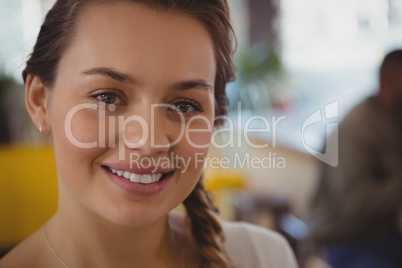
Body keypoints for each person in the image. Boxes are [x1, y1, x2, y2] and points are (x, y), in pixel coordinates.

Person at [0, 1, 297, 267]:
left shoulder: (264, 257)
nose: (148, 142)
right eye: (107, 97)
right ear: (40, 100)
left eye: (184, 105)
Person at [309, 50, 402, 268]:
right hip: (347, 240)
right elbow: (356, 203)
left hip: (383, 235)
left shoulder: (390, 120)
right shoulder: (357, 129)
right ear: (386, 81)